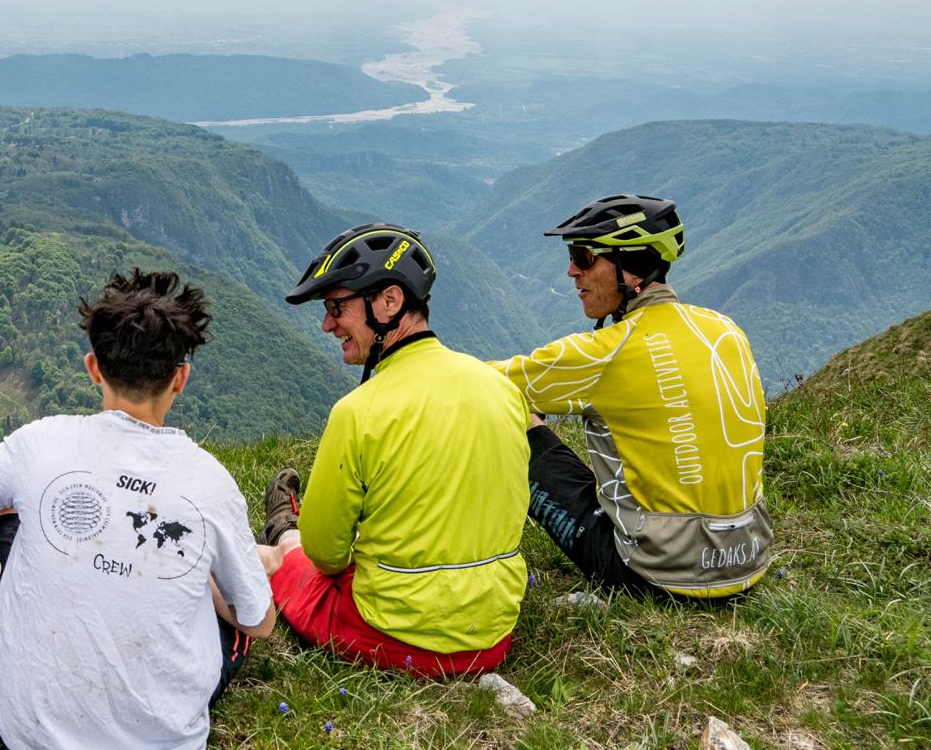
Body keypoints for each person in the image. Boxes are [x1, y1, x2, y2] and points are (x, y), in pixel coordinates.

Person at [0, 269, 275, 750]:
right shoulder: (211, 484)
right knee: (225, 590)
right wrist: (202, 578)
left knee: (5, 517)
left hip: (22, 726)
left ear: (93, 368)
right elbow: (260, 622)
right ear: (181, 378)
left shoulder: (40, 440)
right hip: (162, 739)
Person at [260, 224, 530, 675]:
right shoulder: (500, 388)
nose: (327, 324)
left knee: (290, 559)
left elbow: (327, 557)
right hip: (493, 635)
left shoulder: (356, 412)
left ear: (389, 301)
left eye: (335, 307)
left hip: (397, 637)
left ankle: (283, 528)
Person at [491, 195, 772, 598]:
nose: (571, 270)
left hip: (654, 579)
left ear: (628, 266)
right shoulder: (726, 330)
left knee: (511, 411)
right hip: (748, 562)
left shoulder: (608, 351)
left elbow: (473, 384)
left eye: (583, 256)